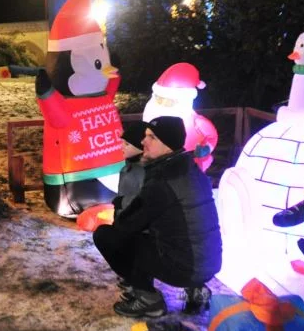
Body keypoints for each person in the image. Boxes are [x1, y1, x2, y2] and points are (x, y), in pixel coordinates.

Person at [92, 116, 222, 318]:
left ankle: (148, 300)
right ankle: (197, 290)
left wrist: (121, 205)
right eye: (145, 137)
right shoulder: (191, 169)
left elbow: (126, 224)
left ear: (168, 145)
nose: (144, 142)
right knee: (164, 234)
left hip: (185, 267)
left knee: (108, 236)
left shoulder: (162, 180)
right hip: (208, 261)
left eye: (151, 137)